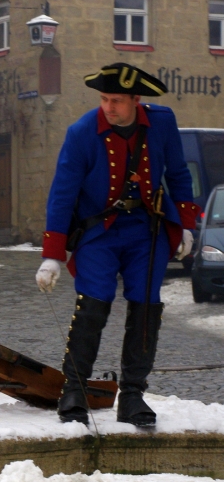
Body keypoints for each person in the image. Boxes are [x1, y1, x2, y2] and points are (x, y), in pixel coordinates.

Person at [36, 62, 201, 428]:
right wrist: (52, 255)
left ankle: (132, 395)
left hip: (147, 230)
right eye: (104, 99)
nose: (108, 107)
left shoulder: (161, 122)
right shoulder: (81, 132)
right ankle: (74, 390)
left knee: (146, 306)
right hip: (99, 232)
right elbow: (62, 194)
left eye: (117, 101)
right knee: (93, 304)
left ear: (135, 100)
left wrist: (187, 225)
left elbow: (178, 174)